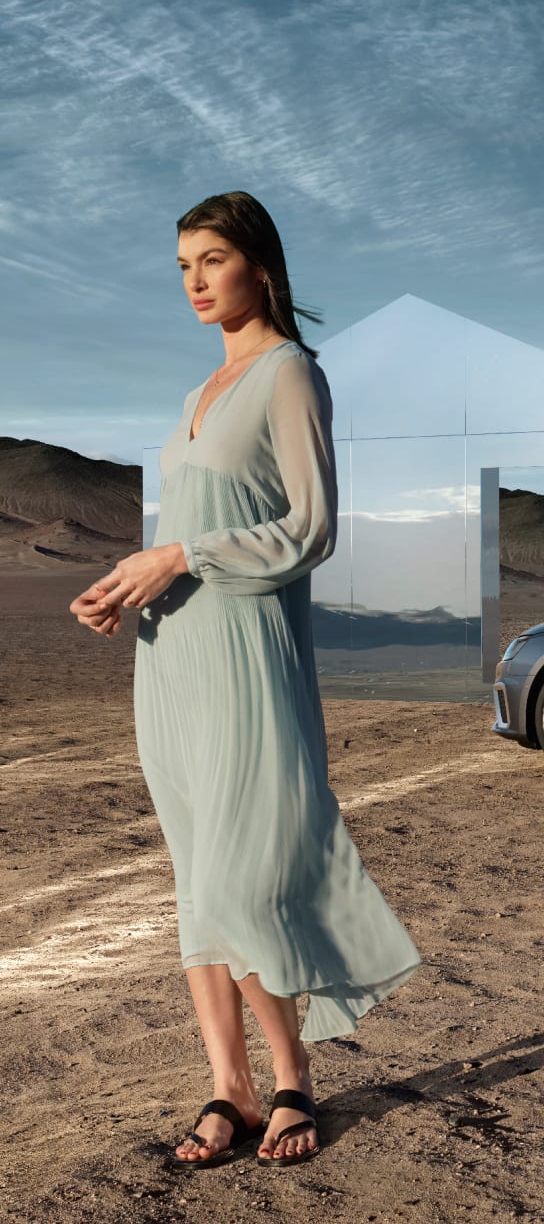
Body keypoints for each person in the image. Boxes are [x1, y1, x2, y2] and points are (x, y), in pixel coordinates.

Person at [70, 191, 422, 1168]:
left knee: (241, 875)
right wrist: (129, 585)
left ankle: (293, 1074)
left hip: (246, 657)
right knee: (198, 876)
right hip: (171, 658)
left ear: (259, 264)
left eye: (212, 259)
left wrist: (177, 556)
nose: (193, 280)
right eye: (182, 263)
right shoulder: (195, 398)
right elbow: (184, 533)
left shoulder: (289, 375)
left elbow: (310, 530)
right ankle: (227, 1082)